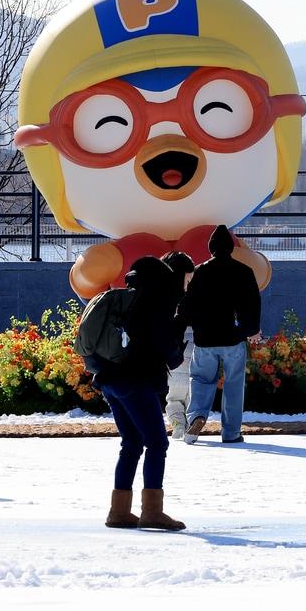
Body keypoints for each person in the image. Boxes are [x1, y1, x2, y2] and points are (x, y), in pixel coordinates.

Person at [92, 256, 186, 531]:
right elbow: (168, 353)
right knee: (157, 443)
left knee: (131, 443)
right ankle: (152, 512)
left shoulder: (126, 300)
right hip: (134, 380)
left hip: (110, 379)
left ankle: (119, 511)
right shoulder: (154, 305)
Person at [179, 225, 262, 445]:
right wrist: (251, 329)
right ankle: (231, 432)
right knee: (234, 384)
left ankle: (197, 416)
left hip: (205, 339)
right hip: (233, 338)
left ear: (211, 248)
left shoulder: (200, 272)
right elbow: (252, 304)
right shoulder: (244, 272)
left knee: (200, 379)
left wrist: (181, 325)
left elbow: (186, 306)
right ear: (231, 248)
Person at [160, 252, 196, 441]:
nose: (188, 283)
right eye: (187, 279)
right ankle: (189, 423)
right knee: (191, 390)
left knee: (174, 394)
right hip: (192, 342)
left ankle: (177, 425)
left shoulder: (159, 293)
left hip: (174, 348)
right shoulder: (189, 294)